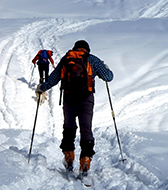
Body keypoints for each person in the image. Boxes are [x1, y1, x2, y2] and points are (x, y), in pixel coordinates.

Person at [37, 40, 114, 177]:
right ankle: (85, 160)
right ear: (87, 50)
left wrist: (42, 87)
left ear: (75, 48)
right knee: (86, 128)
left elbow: (53, 79)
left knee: (69, 127)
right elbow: (109, 77)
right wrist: (105, 68)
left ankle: (69, 157)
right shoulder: (92, 59)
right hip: (86, 99)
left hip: (69, 99)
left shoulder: (67, 59)